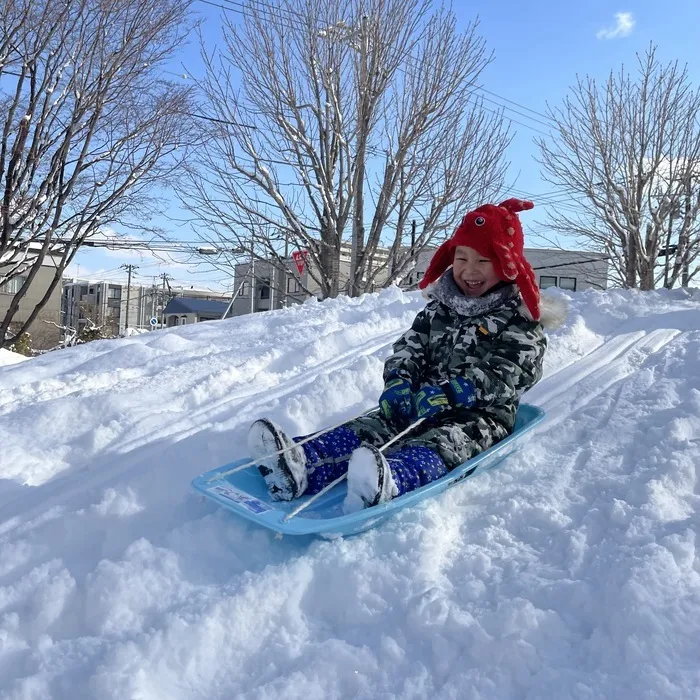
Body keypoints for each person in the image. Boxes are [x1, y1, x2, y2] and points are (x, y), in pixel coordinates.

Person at [248, 198, 564, 512]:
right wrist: (399, 381)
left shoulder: (519, 319)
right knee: (372, 426)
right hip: (420, 400)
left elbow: (514, 370)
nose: (469, 270)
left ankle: (390, 479)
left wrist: (456, 392)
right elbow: (409, 348)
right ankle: (303, 462)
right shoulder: (439, 310)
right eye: (462, 258)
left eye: (483, 261)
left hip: (479, 415)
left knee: (446, 442)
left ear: (508, 264)